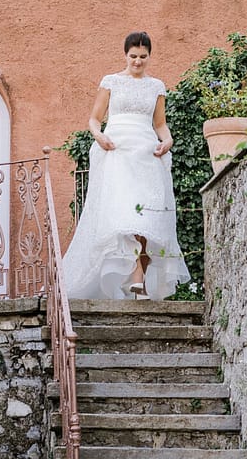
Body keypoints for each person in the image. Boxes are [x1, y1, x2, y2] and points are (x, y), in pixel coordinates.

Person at [62, 31, 190, 300]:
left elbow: (160, 124)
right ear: (125, 54)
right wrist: (100, 136)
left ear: (149, 56)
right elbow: (95, 119)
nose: (138, 62)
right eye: (133, 56)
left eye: (143, 57)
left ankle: (138, 275)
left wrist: (168, 141)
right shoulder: (111, 82)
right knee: (123, 214)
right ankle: (134, 276)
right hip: (117, 151)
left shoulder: (156, 86)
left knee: (147, 217)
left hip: (146, 153)